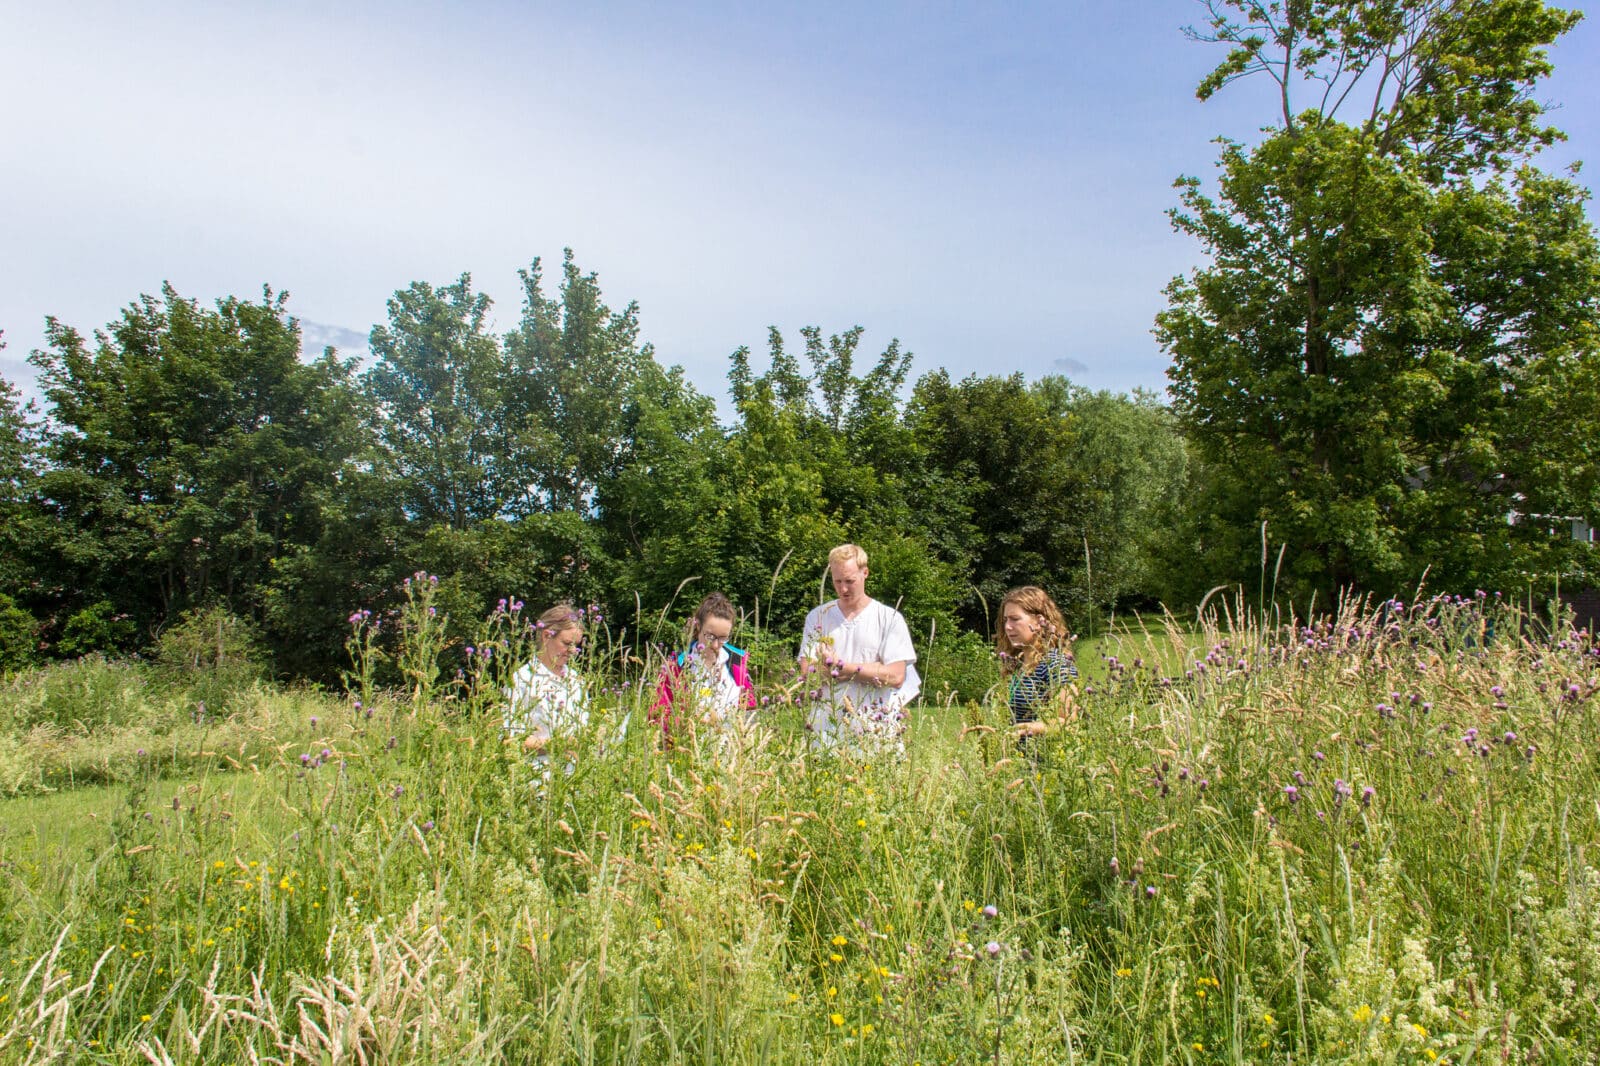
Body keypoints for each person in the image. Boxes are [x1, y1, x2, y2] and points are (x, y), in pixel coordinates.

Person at [799, 544, 921, 752]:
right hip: (827, 731)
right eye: (837, 581)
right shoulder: (818, 616)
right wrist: (870, 669)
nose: (843, 589)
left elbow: (895, 676)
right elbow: (806, 674)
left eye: (850, 581)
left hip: (876, 731)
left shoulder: (888, 618)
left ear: (865, 573)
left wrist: (842, 668)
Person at [651, 592, 757, 746]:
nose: (715, 645)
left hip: (731, 752)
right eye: (710, 636)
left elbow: (750, 711)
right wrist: (687, 719)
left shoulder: (737, 662)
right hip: (686, 750)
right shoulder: (677, 666)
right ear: (698, 626)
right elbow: (656, 714)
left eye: (723, 638)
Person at [504, 603, 589, 754]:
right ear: (546, 636)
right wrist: (557, 744)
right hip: (538, 772)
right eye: (567, 643)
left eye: (575, 646)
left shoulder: (576, 680)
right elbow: (510, 740)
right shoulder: (522, 679)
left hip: (573, 771)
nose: (572, 651)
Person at [995, 586, 1078, 736]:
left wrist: (1028, 728)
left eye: (1015, 619)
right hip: (1016, 756)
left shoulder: (1055, 664)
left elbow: (1069, 722)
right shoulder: (1015, 664)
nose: (1007, 626)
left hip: (1043, 756)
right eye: (1005, 620)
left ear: (1039, 621)